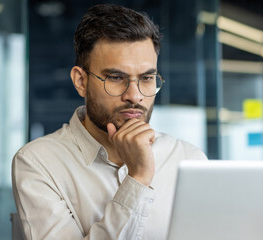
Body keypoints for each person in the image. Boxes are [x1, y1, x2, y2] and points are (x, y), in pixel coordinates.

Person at [11, 3, 207, 240]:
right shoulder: (38, 162)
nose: (134, 96)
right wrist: (138, 179)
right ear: (81, 81)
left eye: (146, 78)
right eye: (115, 77)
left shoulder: (188, 159)